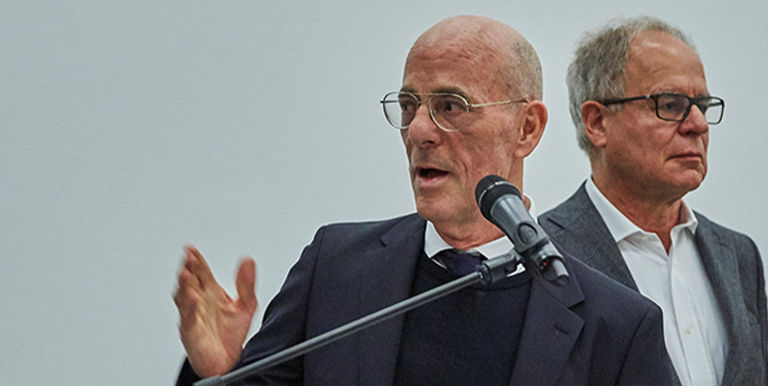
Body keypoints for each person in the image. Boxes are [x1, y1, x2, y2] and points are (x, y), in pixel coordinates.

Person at [173, 15, 672, 386]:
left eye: (450, 106)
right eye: (409, 106)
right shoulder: (337, 269)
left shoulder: (619, 326)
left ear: (527, 128)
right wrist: (214, 373)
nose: (419, 130)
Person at [538, 16, 768, 386]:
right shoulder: (542, 256)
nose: (698, 124)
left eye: (703, 106)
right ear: (597, 123)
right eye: (671, 104)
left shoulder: (738, 256)